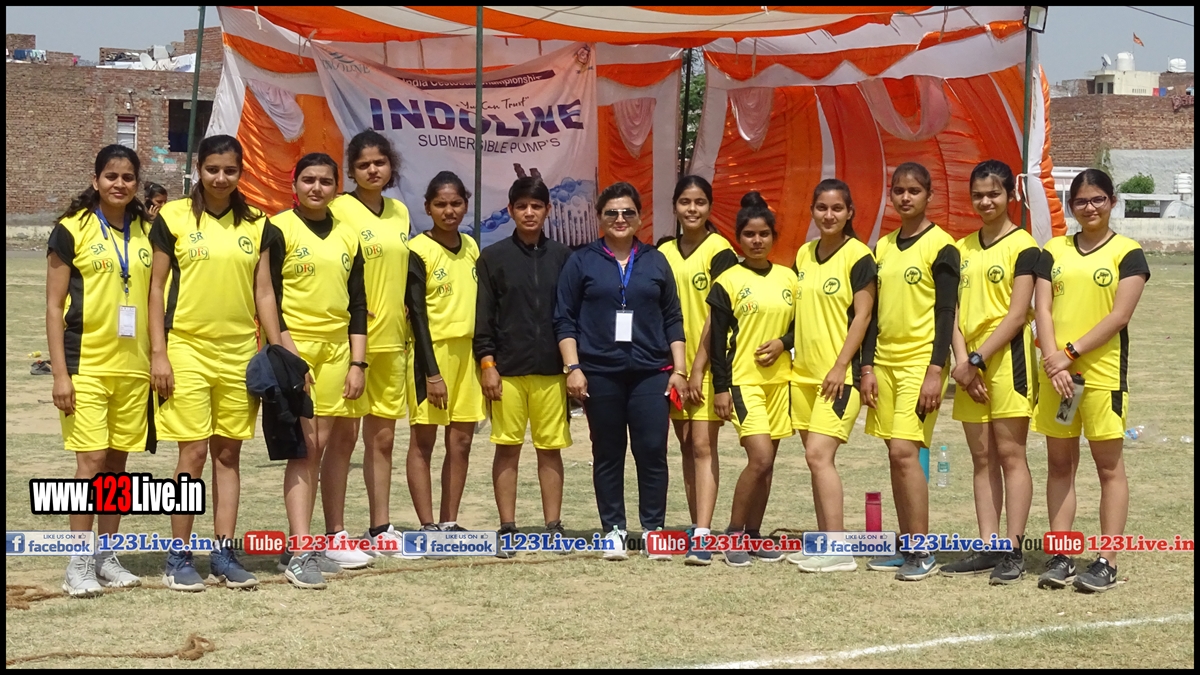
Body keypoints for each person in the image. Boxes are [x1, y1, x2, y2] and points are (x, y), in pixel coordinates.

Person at [149, 134, 282, 591]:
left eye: (230, 170)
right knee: (193, 452)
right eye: (212, 169)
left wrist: (277, 348)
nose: (221, 178)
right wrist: (159, 352)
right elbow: (155, 289)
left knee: (228, 453)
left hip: (239, 352)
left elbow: (264, 292)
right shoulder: (173, 217)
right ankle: (178, 556)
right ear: (198, 170)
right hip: (186, 348)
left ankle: (224, 553)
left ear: (241, 172)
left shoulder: (258, 223)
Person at [555, 181, 687, 560]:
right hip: (600, 372)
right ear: (599, 218)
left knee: (652, 451)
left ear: (640, 218)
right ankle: (613, 530)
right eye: (611, 212)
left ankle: (654, 530)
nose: (620, 218)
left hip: (651, 372)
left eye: (628, 212)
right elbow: (564, 319)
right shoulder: (581, 260)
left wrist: (678, 370)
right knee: (608, 452)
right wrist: (573, 367)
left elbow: (672, 317)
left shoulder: (655, 260)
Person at [1033, 168, 1149, 593]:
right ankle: (1062, 554)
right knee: (1060, 464)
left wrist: (1068, 354)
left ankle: (1107, 561)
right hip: (1059, 380)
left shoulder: (1128, 252)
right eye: (1081, 201)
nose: (1090, 207)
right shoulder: (1054, 250)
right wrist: (1054, 362)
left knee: (1108, 467)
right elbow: (1042, 310)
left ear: (1112, 202)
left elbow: (1119, 316)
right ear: (1071, 206)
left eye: (1098, 199)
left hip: (1100, 377)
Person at [47, 144, 152, 596]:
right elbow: (53, 307)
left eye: (127, 177)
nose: (119, 184)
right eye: (111, 176)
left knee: (116, 466)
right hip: (85, 363)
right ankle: (78, 562)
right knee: (90, 463)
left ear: (136, 183)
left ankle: (106, 555)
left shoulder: (148, 230)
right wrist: (60, 374)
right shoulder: (71, 229)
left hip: (134, 367)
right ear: (96, 180)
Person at [329, 130, 433, 557]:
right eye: (363, 164)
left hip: (393, 342)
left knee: (383, 439)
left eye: (380, 162)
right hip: (351, 343)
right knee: (342, 438)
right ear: (351, 171)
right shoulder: (338, 209)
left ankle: (380, 526)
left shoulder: (400, 211)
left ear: (391, 166)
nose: (373, 170)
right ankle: (335, 531)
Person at [268, 153, 370, 589]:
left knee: (324, 445)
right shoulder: (278, 229)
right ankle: (299, 550)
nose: (316, 187)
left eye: (326, 181)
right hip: (296, 347)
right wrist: (288, 353)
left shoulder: (348, 234)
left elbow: (358, 304)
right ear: (295, 184)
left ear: (336, 187)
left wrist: (357, 362)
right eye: (308, 179)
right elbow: (268, 297)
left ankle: (308, 544)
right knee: (305, 447)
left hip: (337, 351)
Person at [941, 160, 1040, 585]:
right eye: (978, 195)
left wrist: (976, 361)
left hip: (1007, 362)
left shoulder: (1025, 246)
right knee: (981, 458)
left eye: (994, 194)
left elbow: (1017, 315)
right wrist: (962, 363)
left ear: (1010, 196)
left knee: (1011, 455)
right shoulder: (960, 249)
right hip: (969, 366)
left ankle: (1014, 550)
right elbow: (951, 312)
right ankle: (988, 546)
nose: (986, 202)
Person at [860, 162, 959, 581]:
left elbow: (947, 312)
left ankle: (923, 550)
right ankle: (906, 545)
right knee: (895, 454)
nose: (905, 197)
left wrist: (936, 369)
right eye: (898, 190)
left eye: (914, 191)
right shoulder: (882, 247)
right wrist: (866, 366)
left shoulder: (942, 246)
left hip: (921, 362)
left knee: (905, 450)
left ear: (928, 196)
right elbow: (870, 313)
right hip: (884, 363)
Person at [474, 176, 574, 555]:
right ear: (510, 211)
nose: (529, 213)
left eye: (536, 206)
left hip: (551, 371)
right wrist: (487, 363)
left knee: (550, 449)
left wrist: (572, 366)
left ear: (548, 210)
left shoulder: (564, 257)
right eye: (521, 206)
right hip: (507, 372)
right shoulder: (493, 257)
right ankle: (508, 527)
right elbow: (483, 317)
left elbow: (571, 316)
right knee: (507, 449)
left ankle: (554, 526)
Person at [787, 180, 877, 573]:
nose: (829, 215)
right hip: (803, 376)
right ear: (812, 210)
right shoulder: (804, 254)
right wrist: (782, 342)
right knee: (814, 462)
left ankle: (839, 548)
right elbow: (799, 315)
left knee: (818, 456)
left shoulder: (859, 256)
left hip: (839, 377)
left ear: (849, 212)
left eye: (837, 208)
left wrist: (842, 366)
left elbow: (864, 316)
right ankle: (824, 543)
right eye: (822, 208)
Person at [708, 192, 797, 567]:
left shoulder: (789, 278)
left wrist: (783, 343)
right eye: (749, 234)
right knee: (758, 458)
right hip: (744, 382)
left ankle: (754, 535)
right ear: (738, 238)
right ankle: (733, 534)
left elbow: (800, 327)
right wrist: (721, 388)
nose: (757, 240)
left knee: (769, 463)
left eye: (763, 234)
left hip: (781, 382)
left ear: (774, 236)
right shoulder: (727, 281)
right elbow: (715, 341)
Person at [657, 176, 738, 566]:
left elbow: (716, 317)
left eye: (700, 202)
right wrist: (676, 368)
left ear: (710, 207)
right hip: (672, 367)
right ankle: (696, 524)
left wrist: (697, 370)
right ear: (674, 206)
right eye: (685, 202)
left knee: (704, 445)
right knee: (687, 444)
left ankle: (704, 534)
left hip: (704, 368)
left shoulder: (720, 250)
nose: (692, 209)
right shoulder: (663, 251)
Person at [406, 171, 485, 532]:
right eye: (440, 204)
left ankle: (449, 522)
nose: (448, 211)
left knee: (461, 441)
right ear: (428, 207)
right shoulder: (417, 250)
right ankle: (426, 525)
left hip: (467, 354)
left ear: (466, 205)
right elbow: (417, 315)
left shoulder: (471, 247)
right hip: (431, 354)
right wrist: (431, 372)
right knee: (424, 440)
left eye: (455, 203)